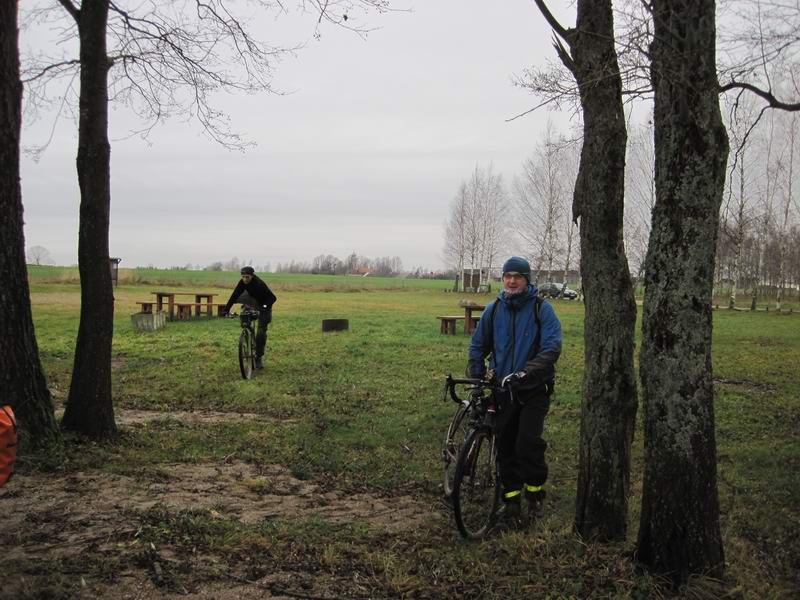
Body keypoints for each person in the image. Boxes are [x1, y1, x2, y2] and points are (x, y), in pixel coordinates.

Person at [467, 256, 562, 528]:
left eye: (517, 276)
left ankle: (534, 492)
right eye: (507, 275)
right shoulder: (493, 310)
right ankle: (511, 502)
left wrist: (527, 371)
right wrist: (476, 372)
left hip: (533, 389)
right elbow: (478, 344)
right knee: (505, 446)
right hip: (502, 390)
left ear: (526, 279)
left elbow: (551, 348)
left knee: (526, 443)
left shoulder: (542, 310)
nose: (511, 280)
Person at [222, 266, 277, 369]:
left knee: (260, 332)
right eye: (243, 277)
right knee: (244, 319)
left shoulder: (259, 284)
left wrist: (265, 307)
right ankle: (248, 333)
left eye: (247, 277)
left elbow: (273, 297)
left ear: (252, 276)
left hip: (265, 305)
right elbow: (234, 295)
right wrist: (226, 309)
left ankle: (258, 358)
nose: (245, 279)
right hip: (251, 302)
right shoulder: (242, 282)